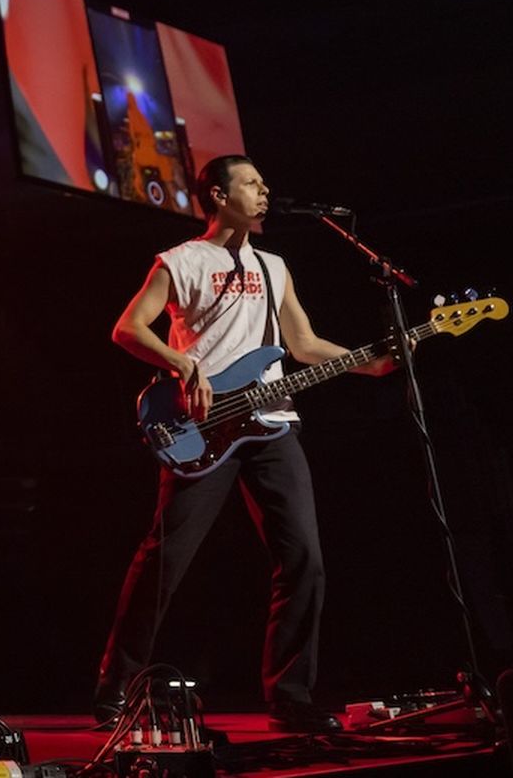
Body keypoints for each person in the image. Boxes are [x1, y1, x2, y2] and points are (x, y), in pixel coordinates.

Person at [92, 154, 398, 735]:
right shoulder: (182, 261)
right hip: (201, 429)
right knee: (165, 560)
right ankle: (116, 686)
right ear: (217, 196)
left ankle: (290, 695)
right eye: (252, 184)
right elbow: (128, 328)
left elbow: (302, 344)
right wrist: (183, 364)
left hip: (274, 422)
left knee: (303, 555)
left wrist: (371, 365)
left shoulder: (275, 266)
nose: (264, 191)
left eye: (263, 183)